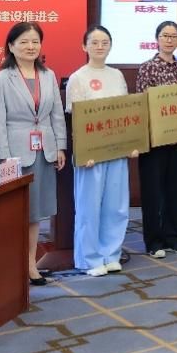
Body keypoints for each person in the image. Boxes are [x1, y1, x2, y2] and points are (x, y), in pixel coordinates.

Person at [0, 22, 66, 286]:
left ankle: (30, 263)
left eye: (35, 41)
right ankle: (13, 264)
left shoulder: (48, 75)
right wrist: (4, 158)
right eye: (23, 42)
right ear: (11, 46)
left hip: (44, 151)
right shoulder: (2, 79)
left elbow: (56, 114)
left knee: (36, 212)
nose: (30, 46)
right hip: (16, 153)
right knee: (18, 211)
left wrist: (60, 146)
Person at [65, 26, 133, 277]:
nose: (100, 46)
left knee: (116, 206)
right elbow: (76, 120)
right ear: (84, 46)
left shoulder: (117, 75)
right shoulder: (78, 77)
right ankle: (89, 259)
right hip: (91, 154)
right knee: (89, 207)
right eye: (94, 42)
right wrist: (84, 151)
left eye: (105, 42)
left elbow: (126, 113)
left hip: (116, 151)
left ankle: (111, 254)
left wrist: (129, 145)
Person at [135, 21, 177, 258]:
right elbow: (143, 102)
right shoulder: (147, 68)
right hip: (154, 139)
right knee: (153, 192)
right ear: (157, 38)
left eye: (174, 36)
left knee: (176, 190)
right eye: (165, 36)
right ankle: (154, 241)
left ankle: (173, 237)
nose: (169, 40)